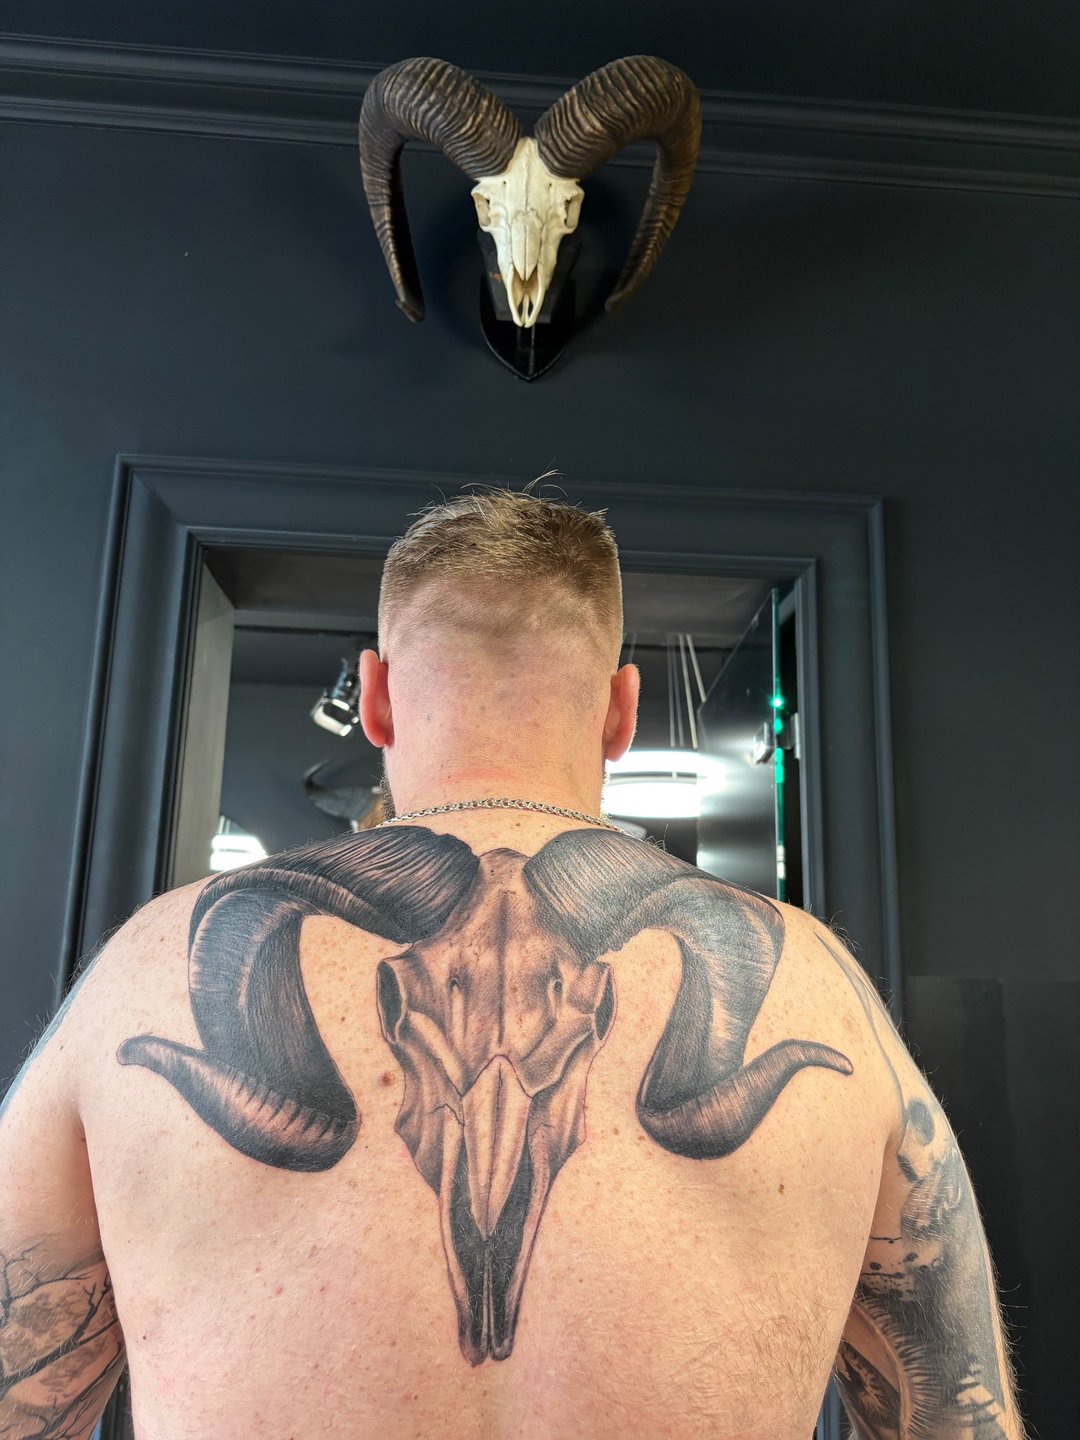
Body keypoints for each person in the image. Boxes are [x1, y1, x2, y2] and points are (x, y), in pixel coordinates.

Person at [0, 482, 1024, 1440]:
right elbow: (959, 1412)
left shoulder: (142, 981)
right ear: (622, 712)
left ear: (375, 699)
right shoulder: (820, 992)